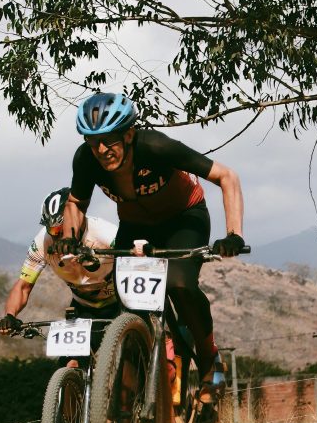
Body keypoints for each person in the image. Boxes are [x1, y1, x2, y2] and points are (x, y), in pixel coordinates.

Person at [58, 92, 246, 397]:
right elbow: (76, 202)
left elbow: (227, 176)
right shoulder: (86, 160)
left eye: (109, 140)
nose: (102, 150)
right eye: (93, 143)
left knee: (179, 285)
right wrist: (70, 237)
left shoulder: (156, 146)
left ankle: (211, 360)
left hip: (184, 218)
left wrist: (234, 234)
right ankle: (150, 368)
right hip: (136, 225)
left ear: (129, 134)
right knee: (126, 299)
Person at [0, 187, 119, 346]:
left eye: (61, 229)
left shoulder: (103, 232)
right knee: (72, 362)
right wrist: (10, 316)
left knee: (129, 355)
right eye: (52, 229)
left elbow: (138, 260)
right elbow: (23, 286)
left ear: (78, 218)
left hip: (121, 302)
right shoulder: (42, 243)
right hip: (84, 306)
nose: (57, 236)